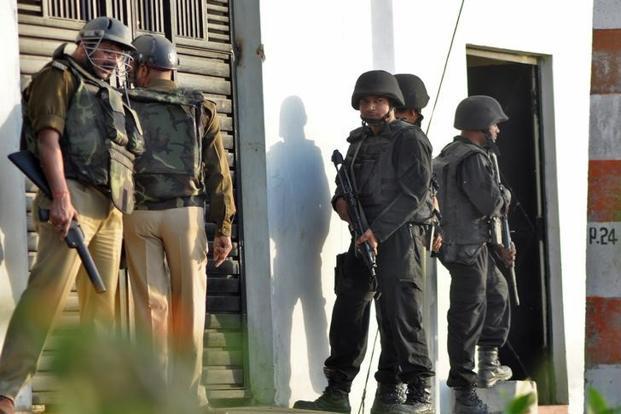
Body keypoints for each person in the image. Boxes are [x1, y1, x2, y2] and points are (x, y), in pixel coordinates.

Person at [0, 17, 142, 414]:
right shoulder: (59, 76)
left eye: (120, 52)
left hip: (109, 207)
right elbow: (48, 140)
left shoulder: (109, 92)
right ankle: (6, 391)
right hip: (71, 198)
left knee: (102, 306)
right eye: (109, 48)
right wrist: (61, 197)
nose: (114, 58)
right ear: (86, 43)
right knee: (46, 296)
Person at [294, 70, 434, 414]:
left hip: (399, 236)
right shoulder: (357, 142)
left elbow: (415, 192)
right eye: (366, 102)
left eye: (378, 101)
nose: (371, 107)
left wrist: (379, 230)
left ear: (392, 104)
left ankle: (419, 391)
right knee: (349, 313)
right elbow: (347, 185)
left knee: (402, 314)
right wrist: (340, 202)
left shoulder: (409, 139)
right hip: (362, 234)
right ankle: (337, 391)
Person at [123, 34, 235, 411]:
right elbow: (218, 173)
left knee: (150, 309)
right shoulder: (200, 106)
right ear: (171, 67)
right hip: (185, 214)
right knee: (188, 308)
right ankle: (187, 399)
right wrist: (223, 228)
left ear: (142, 67)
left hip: (137, 213)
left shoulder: (123, 102)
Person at [433, 96, 516, 414]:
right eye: (495, 124)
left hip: (466, 245)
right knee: (468, 317)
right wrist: (504, 193)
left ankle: (488, 363)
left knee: (498, 292)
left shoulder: (449, 153)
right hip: (467, 248)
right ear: (482, 124)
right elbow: (490, 204)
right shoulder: (474, 158)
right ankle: (465, 390)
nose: (497, 129)